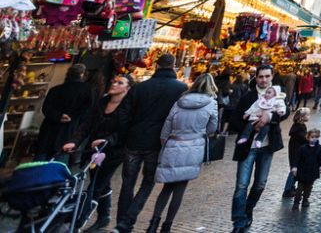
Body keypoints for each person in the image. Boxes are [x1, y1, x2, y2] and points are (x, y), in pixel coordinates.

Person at [114, 54, 187, 233]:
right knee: (147, 183)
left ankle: (122, 224)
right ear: (173, 66)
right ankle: (126, 221)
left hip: (134, 140)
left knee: (128, 183)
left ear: (157, 66)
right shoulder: (180, 88)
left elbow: (123, 113)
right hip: (157, 143)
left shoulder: (140, 87)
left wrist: (126, 133)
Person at [147, 73, 219, 233]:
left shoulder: (180, 102)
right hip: (194, 147)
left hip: (174, 143)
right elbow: (213, 127)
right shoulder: (211, 104)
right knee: (179, 189)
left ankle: (153, 223)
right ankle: (167, 226)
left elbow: (167, 124)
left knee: (167, 187)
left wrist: (165, 142)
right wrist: (200, 133)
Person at [62, 74, 132, 232]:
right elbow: (86, 124)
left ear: (127, 89)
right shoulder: (102, 102)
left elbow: (126, 131)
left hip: (113, 153)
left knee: (96, 186)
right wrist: (75, 141)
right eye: (113, 81)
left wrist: (107, 140)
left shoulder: (129, 107)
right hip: (94, 152)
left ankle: (78, 222)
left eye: (119, 83)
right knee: (100, 182)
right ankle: (104, 217)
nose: (114, 84)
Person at [230, 64, 286, 233]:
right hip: (248, 147)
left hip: (267, 146)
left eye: (267, 76)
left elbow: (286, 111)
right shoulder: (248, 96)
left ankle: (248, 209)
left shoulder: (277, 95)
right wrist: (251, 125)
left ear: (272, 76)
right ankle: (239, 222)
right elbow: (235, 121)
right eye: (261, 76)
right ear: (256, 77)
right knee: (241, 185)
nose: (264, 80)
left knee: (260, 183)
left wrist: (270, 116)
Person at [34, 63, 94, 161]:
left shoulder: (55, 90)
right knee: (59, 164)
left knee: (39, 162)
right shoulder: (88, 91)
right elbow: (88, 112)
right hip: (70, 131)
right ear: (82, 75)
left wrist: (59, 116)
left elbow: (46, 108)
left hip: (48, 131)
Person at [292, 129, 321, 210]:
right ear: (308, 137)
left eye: (316, 137)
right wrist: (295, 167)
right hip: (302, 171)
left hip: (313, 171)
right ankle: (296, 201)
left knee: (309, 187)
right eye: (312, 137)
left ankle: (305, 199)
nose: (314, 139)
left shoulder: (320, 148)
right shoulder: (302, 148)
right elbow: (297, 158)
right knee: (300, 187)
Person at [282, 108, 310, 199]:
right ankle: (288, 189)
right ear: (302, 117)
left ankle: (291, 187)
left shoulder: (298, 126)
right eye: (307, 115)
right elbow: (304, 139)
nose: (309, 116)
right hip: (296, 152)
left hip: (295, 151)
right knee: (294, 171)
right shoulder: (299, 128)